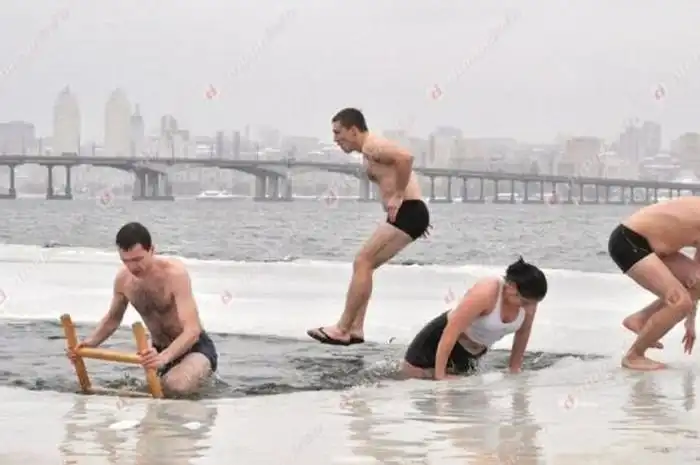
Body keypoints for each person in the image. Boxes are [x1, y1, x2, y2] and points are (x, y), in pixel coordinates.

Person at [307, 108, 431, 346]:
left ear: (354, 130)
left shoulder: (373, 145)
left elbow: (405, 158)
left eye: (338, 132)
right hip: (409, 213)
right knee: (365, 265)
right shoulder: (368, 151)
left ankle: (343, 328)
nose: (335, 139)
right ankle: (356, 328)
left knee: (362, 262)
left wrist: (399, 197)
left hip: (408, 211)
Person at [66, 222, 218, 396]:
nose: (133, 267)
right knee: (157, 390)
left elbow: (192, 331)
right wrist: (88, 344)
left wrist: (164, 358)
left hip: (194, 348)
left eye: (138, 260)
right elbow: (113, 319)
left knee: (176, 385)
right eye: (126, 261)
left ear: (152, 250)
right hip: (158, 350)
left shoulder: (175, 275)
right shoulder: (123, 280)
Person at [400, 257, 547, 380]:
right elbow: (451, 330)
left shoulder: (529, 301)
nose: (529, 307)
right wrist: (440, 376)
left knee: (467, 402)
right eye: (525, 302)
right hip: (434, 344)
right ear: (512, 287)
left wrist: (514, 368)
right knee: (420, 387)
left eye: (533, 303)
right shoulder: (487, 292)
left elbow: (523, 333)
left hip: (469, 355)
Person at [608, 197, 700, 371]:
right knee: (680, 302)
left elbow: (696, 280)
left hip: (656, 248)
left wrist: (690, 322)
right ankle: (634, 356)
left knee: (692, 290)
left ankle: (640, 318)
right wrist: (687, 311)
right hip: (629, 241)